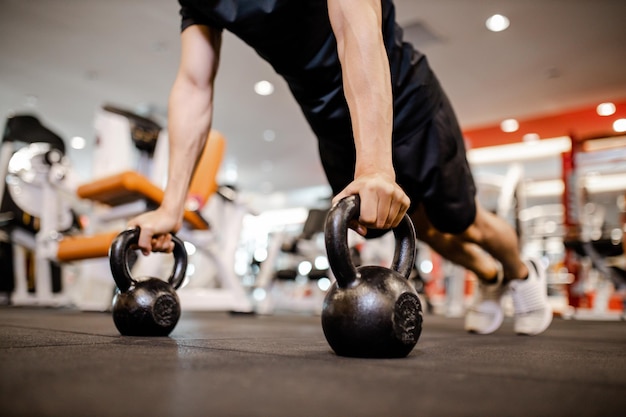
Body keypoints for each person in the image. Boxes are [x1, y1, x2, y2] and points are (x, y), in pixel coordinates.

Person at [128, 0, 553, 336]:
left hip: (402, 98)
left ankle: (519, 272)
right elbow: (193, 86)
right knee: (420, 227)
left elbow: (356, 26)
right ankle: (490, 275)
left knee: (462, 222)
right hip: (333, 126)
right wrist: (171, 206)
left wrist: (375, 164)